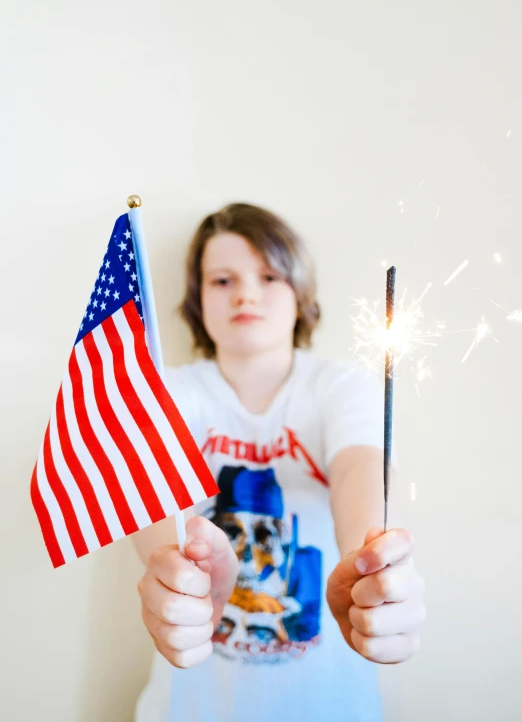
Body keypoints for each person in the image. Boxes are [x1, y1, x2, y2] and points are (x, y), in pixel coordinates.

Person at [133, 203, 425, 722]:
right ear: (198, 300)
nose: (247, 293)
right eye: (223, 280)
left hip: (330, 705)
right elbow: (153, 511)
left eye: (268, 276)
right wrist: (178, 579)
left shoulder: (341, 390)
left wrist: (371, 571)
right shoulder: (169, 394)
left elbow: (361, 472)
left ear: (299, 294)